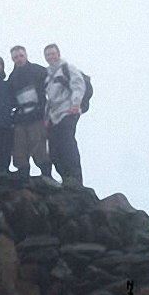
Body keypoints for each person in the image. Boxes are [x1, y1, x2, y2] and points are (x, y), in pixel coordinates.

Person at [43, 43, 86, 187]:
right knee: (54, 151)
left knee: (67, 146)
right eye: (48, 55)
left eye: (52, 53)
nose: (50, 57)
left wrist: (76, 104)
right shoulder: (49, 76)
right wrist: (47, 116)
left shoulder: (68, 68)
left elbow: (78, 85)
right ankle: (65, 177)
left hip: (68, 112)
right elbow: (50, 99)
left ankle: (75, 179)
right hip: (54, 116)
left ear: (58, 54)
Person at [7, 45, 52, 178]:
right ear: (12, 59)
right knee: (19, 147)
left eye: (21, 56)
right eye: (16, 57)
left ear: (26, 55)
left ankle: (46, 174)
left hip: (37, 115)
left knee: (39, 146)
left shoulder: (37, 70)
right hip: (21, 117)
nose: (19, 59)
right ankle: (23, 173)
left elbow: (55, 78)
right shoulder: (12, 78)